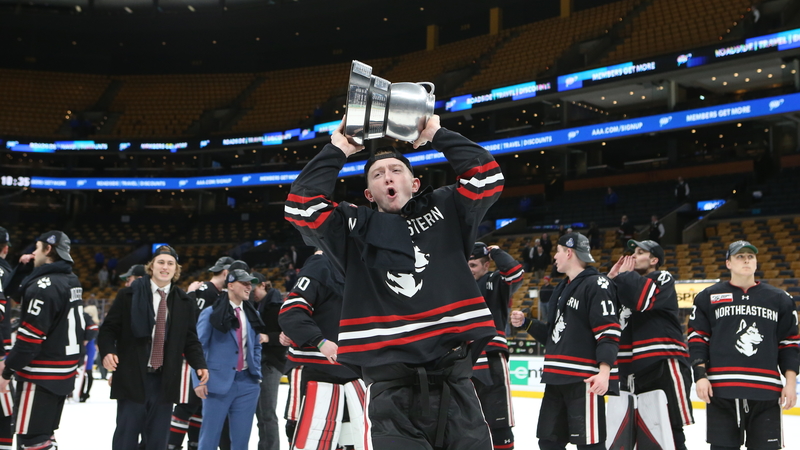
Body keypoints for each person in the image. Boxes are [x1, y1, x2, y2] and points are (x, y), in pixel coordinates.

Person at [284, 114, 503, 449]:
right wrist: (338, 148)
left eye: (396, 170)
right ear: (369, 194)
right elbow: (302, 207)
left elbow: (487, 177)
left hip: (455, 382)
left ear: (414, 184)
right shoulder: (353, 228)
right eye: (377, 174)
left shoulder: (446, 206)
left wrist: (437, 134)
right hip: (391, 391)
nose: (388, 176)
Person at [511, 232, 620, 450]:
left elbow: (608, 332)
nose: (555, 257)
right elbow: (555, 336)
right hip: (555, 378)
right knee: (549, 442)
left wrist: (605, 371)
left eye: (558, 251)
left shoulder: (596, 284)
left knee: (589, 444)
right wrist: (527, 323)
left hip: (583, 380)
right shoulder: (562, 288)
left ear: (569, 252)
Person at [687, 241, 799, 450]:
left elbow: (789, 343)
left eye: (751, 256)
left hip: (765, 391)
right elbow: (698, 339)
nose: (746, 259)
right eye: (740, 256)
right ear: (728, 263)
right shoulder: (708, 297)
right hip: (721, 391)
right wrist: (700, 376)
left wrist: (790, 384)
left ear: (756, 262)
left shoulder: (779, 299)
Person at [98, 245, 208, 450]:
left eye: (170, 264)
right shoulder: (128, 295)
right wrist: (108, 351)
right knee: (126, 439)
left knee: (157, 442)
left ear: (176, 269)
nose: (165, 267)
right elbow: (108, 330)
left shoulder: (184, 302)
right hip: (132, 378)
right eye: (161, 262)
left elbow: (190, 339)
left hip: (164, 381)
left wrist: (199, 364)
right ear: (151, 266)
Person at [0, 231, 84, 450]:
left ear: (48, 249)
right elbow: (14, 293)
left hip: (40, 374)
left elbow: (29, 339)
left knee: (31, 440)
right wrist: (25, 269)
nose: (32, 252)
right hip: (63, 373)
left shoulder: (43, 287)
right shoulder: (71, 280)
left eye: (36, 248)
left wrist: (7, 370)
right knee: (44, 436)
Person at [607, 240, 693, 449]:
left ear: (654, 260)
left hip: (662, 360)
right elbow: (601, 308)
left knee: (670, 427)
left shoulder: (662, 277)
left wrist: (624, 276)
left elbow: (642, 300)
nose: (633, 256)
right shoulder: (624, 282)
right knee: (634, 430)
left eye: (641, 252)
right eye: (632, 252)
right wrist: (610, 279)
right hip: (629, 366)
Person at [279, 250, 365, 450]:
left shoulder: (356, 264)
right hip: (317, 371)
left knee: (351, 436)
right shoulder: (322, 263)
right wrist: (319, 341)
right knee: (306, 436)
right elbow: (291, 313)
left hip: (351, 372)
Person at [192, 269, 263, 450]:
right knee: (209, 438)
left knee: (241, 441)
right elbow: (198, 347)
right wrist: (198, 380)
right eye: (244, 283)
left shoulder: (253, 314)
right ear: (230, 285)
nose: (249, 287)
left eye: (250, 284)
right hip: (216, 382)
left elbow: (256, 345)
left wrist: (256, 372)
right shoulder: (210, 313)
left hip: (248, 383)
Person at [169, 255, 234, 450]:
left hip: (201, 357)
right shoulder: (209, 293)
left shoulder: (209, 291)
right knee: (186, 404)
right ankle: (172, 445)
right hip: (193, 356)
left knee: (197, 405)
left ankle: (193, 445)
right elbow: (191, 323)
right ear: (225, 273)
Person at [468, 242, 524, 449]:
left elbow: (516, 274)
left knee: (498, 419)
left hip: (491, 357)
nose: (469, 269)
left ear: (486, 265)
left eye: (473, 265)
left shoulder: (495, 281)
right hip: (464, 359)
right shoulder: (458, 285)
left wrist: (495, 251)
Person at [252, 273, 287, 450]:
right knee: (261, 413)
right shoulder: (257, 305)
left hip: (272, 363)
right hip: (261, 362)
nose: (252, 292)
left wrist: (268, 337)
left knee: (267, 413)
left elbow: (286, 336)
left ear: (264, 285)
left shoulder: (277, 306)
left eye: (255, 288)